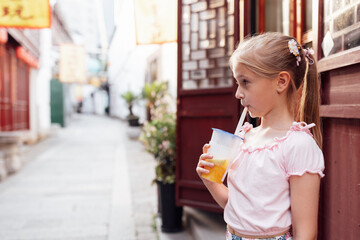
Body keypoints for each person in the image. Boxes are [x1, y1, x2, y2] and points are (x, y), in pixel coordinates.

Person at [196, 32, 325, 240]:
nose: (238, 93)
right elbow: (238, 207)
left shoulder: (297, 145)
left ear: (281, 82)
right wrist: (211, 181)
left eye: (245, 82)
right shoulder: (244, 137)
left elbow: (306, 233)